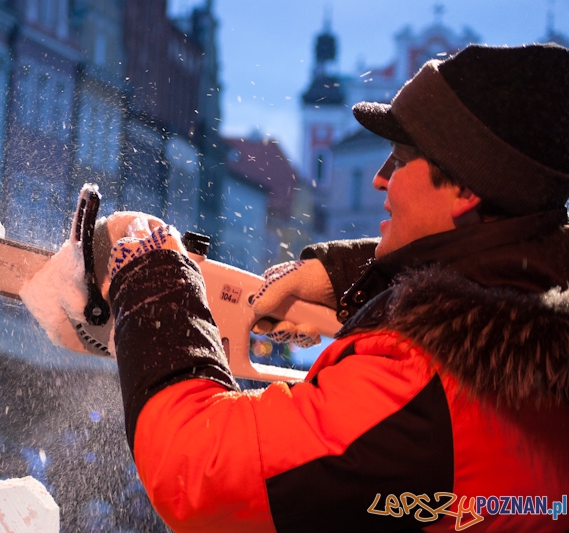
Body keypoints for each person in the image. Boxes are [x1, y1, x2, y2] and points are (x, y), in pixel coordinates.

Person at [34, 43, 569, 532]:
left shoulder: (422, 389)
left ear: (466, 189)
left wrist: (155, 285)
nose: (382, 178)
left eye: (403, 160)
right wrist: (355, 281)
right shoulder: (536, 344)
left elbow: (202, 472)